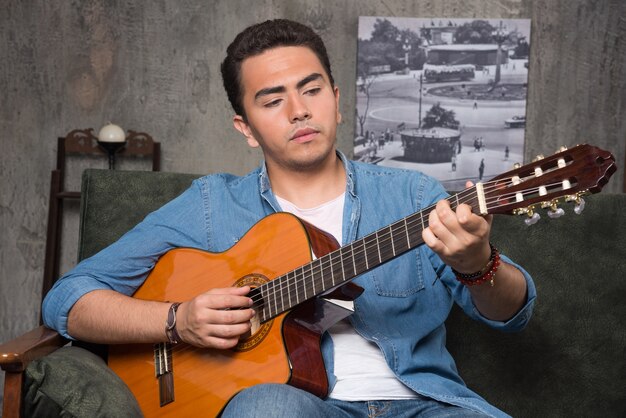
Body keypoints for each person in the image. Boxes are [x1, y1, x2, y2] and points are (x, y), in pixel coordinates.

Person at [43, 19, 535, 418]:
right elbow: (67, 301)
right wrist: (177, 321)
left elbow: (511, 314)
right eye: (272, 100)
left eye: (311, 90)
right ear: (247, 127)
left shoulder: (414, 195)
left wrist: (479, 262)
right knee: (267, 410)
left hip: (423, 405)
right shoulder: (213, 205)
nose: (298, 111)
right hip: (293, 404)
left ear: (338, 100)